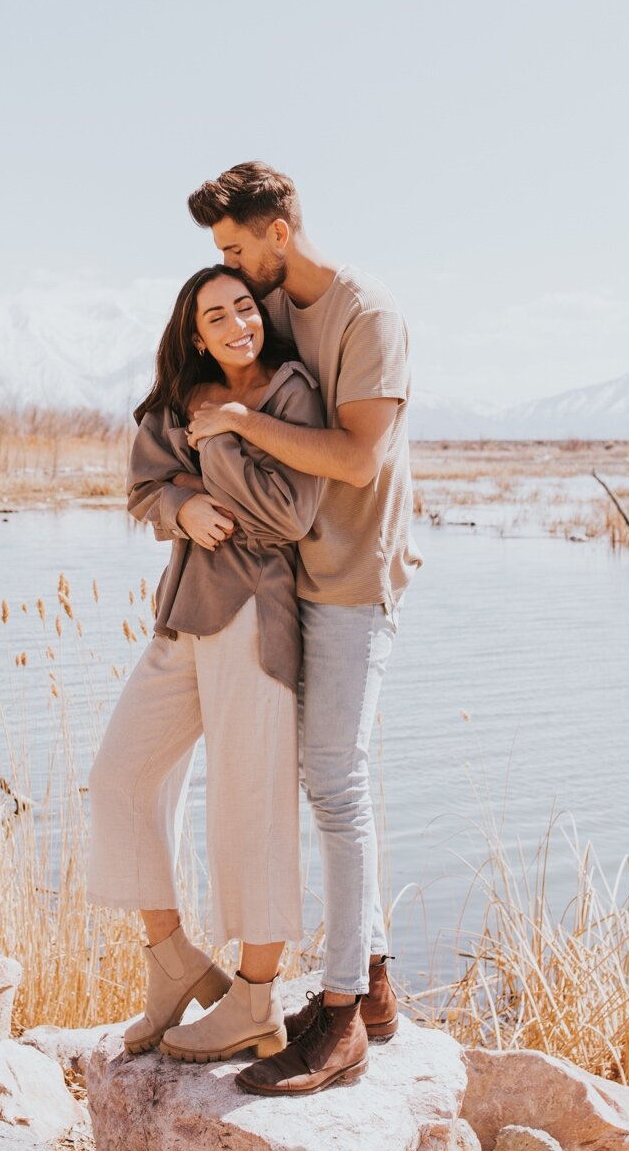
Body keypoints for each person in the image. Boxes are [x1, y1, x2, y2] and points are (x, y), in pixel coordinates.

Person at [184, 161, 421, 1095]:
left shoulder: (371, 317)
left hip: (356, 577)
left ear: (279, 232)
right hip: (290, 576)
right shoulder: (272, 311)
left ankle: (336, 1017)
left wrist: (239, 417)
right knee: (327, 777)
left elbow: (360, 460)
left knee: (335, 776)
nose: (234, 267)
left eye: (238, 247)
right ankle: (374, 986)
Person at [87, 264, 329, 1068]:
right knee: (120, 775)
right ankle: (173, 960)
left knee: (250, 802)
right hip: (185, 611)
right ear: (194, 332)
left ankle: (255, 1003)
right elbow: (145, 485)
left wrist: (223, 430)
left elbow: (289, 512)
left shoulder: (292, 391)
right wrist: (180, 506)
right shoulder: (178, 398)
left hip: (257, 617)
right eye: (215, 314)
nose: (237, 323)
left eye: (244, 308)